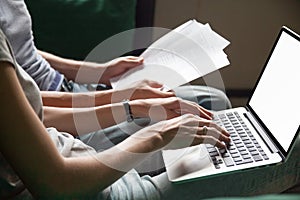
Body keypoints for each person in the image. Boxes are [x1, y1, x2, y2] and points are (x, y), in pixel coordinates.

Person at [1, 28, 300, 200]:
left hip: (86, 162)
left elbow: (32, 109)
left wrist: (129, 106)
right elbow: (56, 185)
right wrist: (155, 134)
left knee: (216, 119)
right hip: (99, 186)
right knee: (288, 159)